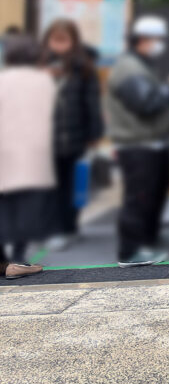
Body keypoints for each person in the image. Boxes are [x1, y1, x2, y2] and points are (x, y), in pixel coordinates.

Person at [105, 16, 169, 267]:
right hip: (137, 144)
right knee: (138, 198)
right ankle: (130, 251)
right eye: (157, 39)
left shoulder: (141, 65)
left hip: (153, 142)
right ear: (142, 40)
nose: (160, 44)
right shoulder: (128, 68)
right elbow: (146, 104)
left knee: (155, 192)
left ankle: (147, 238)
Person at [41, 19, 104, 250]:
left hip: (75, 138)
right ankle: (54, 228)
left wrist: (94, 134)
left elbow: (92, 103)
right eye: (54, 40)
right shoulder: (39, 65)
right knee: (49, 187)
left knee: (71, 184)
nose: (58, 46)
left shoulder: (84, 67)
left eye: (63, 40)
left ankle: (68, 228)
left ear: (73, 41)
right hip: (45, 138)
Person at [0, 35, 57, 279]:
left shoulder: (2, 79)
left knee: (5, 205)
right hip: (32, 151)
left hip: (4, 149)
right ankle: (19, 260)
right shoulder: (43, 81)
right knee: (27, 207)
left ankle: (3, 261)